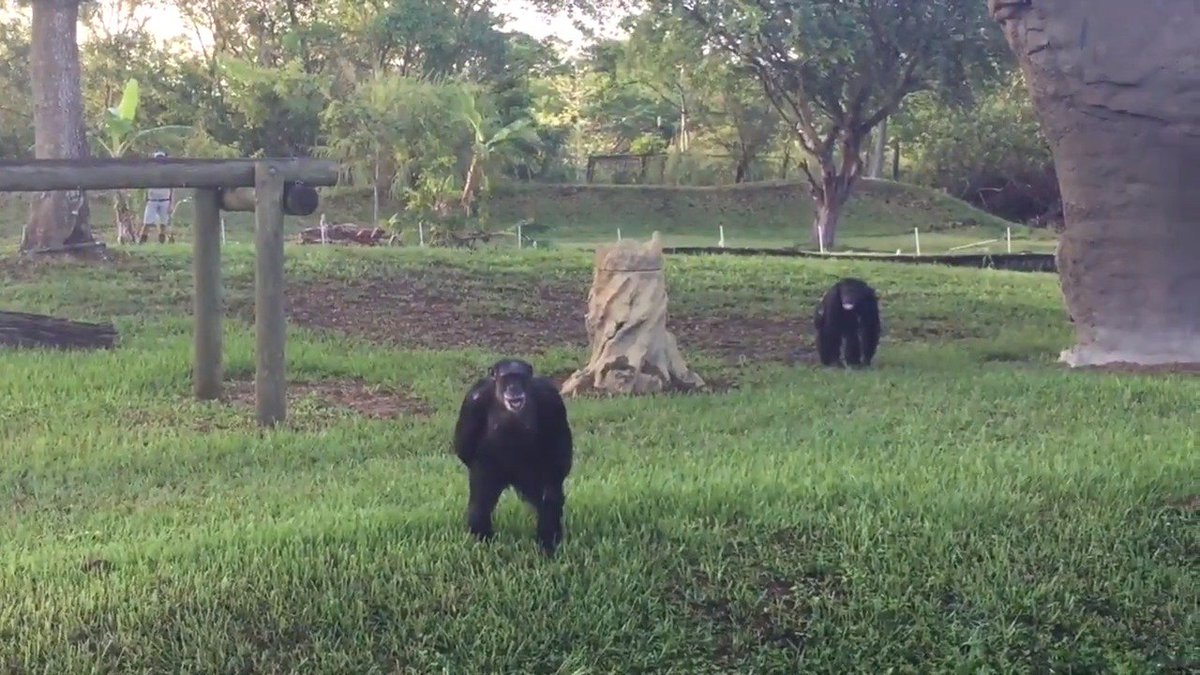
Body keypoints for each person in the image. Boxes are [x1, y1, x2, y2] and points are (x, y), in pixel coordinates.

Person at [139, 151, 174, 243]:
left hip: (165, 200)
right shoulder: (150, 173)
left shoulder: (168, 173)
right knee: (147, 222)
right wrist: (145, 198)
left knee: (163, 223)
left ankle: (162, 242)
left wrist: (171, 203)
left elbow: (172, 189)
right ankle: (142, 242)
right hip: (152, 200)